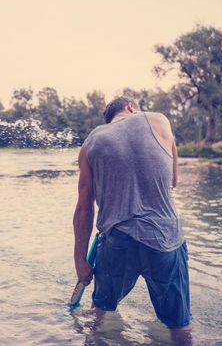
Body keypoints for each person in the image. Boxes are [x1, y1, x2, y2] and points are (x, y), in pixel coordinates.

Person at [73, 97, 192, 342]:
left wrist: (80, 260)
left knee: (99, 316)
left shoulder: (90, 143)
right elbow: (173, 181)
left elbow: (84, 208)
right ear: (131, 107)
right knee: (179, 326)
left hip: (117, 242)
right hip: (164, 239)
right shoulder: (158, 119)